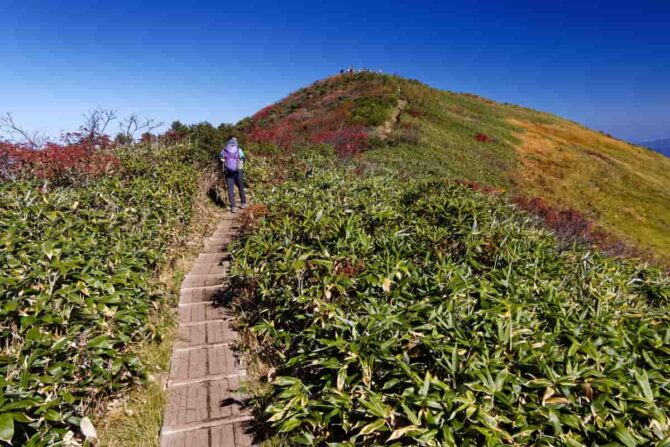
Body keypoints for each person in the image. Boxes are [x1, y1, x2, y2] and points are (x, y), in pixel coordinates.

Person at [220, 137, 247, 212]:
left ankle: (233, 207)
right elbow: (243, 159)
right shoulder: (239, 150)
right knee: (241, 187)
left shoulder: (224, 150)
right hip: (238, 171)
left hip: (228, 172)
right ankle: (243, 203)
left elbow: (221, 159)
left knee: (230, 189)